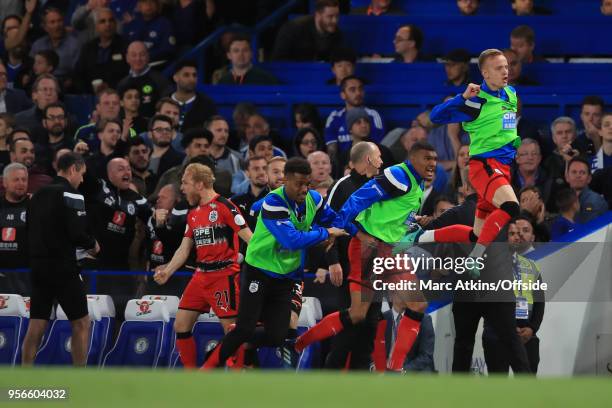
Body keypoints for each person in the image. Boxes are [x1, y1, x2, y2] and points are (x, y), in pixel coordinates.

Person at [296, 141, 437, 372]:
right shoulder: (399, 174)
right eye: (427, 158)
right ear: (413, 158)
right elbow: (359, 198)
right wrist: (338, 228)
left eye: (434, 159)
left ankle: (394, 368)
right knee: (357, 315)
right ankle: (301, 342)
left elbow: (394, 216)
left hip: (389, 250)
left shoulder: (416, 182)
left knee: (416, 304)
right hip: (367, 250)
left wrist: (415, 223)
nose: (432, 163)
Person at [202, 157, 348, 369]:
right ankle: (207, 368)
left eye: (308, 184)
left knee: (277, 336)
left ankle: (236, 342)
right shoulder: (273, 202)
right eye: (299, 184)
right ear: (286, 180)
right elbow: (291, 240)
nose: (304, 189)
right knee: (245, 328)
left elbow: (333, 220)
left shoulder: (313, 199)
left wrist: (359, 231)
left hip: (285, 276)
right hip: (259, 271)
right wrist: (325, 233)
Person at [408, 49, 522, 278]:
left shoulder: (510, 93)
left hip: (504, 166)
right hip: (485, 165)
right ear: (485, 73)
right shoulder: (476, 101)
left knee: (476, 233)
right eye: (499, 68)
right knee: (510, 206)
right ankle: (475, 258)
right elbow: (436, 117)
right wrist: (462, 97)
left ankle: (419, 237)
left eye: (506, 67)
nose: (505, 72)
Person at [153, 163, 252, 368]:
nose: (182, 188)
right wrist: (168, 270)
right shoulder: (194, 213)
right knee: (181, 324)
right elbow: (184, 248)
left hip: (224, 276)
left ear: (199, 184)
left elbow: (251, 240)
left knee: (231, 330)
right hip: (200, 276)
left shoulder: (226, 206)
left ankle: (238, 377)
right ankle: (192, 377)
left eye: (185, 183)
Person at [21, 152, 100, 366]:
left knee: (37, 323)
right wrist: (93, 244)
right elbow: (77, 233)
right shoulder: (72, 195)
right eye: (81, 174)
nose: (82, 180)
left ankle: (24, 374)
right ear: (73, 169)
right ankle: (79, 376)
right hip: (63, 267)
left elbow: (27, 229)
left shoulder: (36, 195)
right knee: (82, 323)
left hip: (38, 267)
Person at [322, 141, 383, 369]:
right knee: (348, 328)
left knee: (369, 329)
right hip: (349, 268)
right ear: (368, 159)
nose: (382, 162)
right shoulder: (342, 186)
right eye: (378, 157)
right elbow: (328, 223)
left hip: (375, 269)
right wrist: (333, 261)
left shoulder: (380, 186)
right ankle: (329, 379)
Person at [482, 215, 545, 374]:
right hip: (497, 336)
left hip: (526, 335)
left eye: (519, 233)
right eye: (512, 233)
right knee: (498, 390)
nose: (517, 237)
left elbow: (539, 302)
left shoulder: (531, 267)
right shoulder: (488, 266)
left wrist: (532, 329)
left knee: (528, 388)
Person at [325, 76, 385, 159]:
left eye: (360, 89)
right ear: (343, 95)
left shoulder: (373, 115)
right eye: (352, 90)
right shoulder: (334, 117)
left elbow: (378, 147)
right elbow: (331, 151)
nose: (358, 93)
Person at [73, 7, 128, 93]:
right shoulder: (88, 48)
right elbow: (78, 75)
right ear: (96, 27)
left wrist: (110, 87)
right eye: (103, 21)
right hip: (90, 95)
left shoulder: (125, 46)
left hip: (118, 94)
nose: (108, 24)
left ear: (116, 24)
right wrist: (89, 90)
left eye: (111, 20)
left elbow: (128, 75)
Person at [272, 0, 344, 62]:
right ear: (318, 15)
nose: (335, 21)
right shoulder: (293, 29)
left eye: (337, 16)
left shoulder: (336, 33)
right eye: (330, 16)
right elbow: (279, 60)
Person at [117, 41, 172, 118]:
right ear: (127, 58)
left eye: (142, 55)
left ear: (148, 56)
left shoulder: (160, 80)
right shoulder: (122, 84)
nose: (138, 58)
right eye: (134, 55)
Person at [0, 162, 30, 294]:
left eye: (24, 179)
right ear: (5, 182)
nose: (21, 183)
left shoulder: (35, 205)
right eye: (16, 179)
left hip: (28, 274)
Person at [382, 302, 435, 372]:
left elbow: (426, 356)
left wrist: (403, 371)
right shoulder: (383, 317)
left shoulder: (424, 319)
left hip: (411, 372)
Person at [170, 60, 217, 133]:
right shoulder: (164, 101)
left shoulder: (207, 105)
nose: (192, 79)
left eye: (194, 75)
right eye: (186, 75)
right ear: (175, 78)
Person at [231, 155, 269, 231]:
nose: (262, 172)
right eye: (256, 169)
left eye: (265, 168)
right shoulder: (235, 201)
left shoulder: (276, 199)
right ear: (247, 173)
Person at [565, 157, 608, 223]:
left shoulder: (594, 200)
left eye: (582, 172)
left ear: (589, 178)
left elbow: (588, 230)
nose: (578, 175)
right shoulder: (566, 200)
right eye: (574, 172)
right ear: (567, 177)